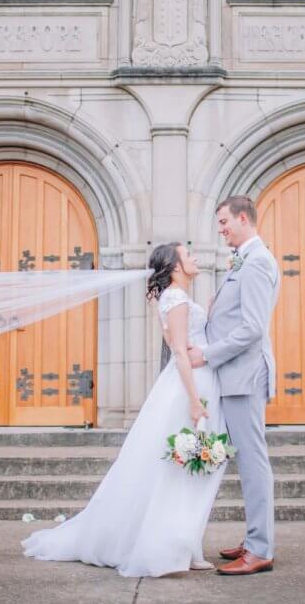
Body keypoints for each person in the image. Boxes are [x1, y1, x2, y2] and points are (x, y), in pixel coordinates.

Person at [21, 242, 224, 578]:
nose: (195, 257)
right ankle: (172, 546)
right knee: (179, 472)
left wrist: (210, 310)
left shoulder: (175, 297)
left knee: (184, 471)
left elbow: (188, 338)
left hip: (191, 385)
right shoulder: (175, 298)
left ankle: (185, 544)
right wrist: (193, 401)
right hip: (187, 390)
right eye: (188, 254)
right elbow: (179, 353)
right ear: (175, 266)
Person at [188, 194, 281, 576]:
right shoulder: (244, 260)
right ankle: (255, 538)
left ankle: (260, 549)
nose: (221, 229)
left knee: (253, 461)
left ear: (244, 219)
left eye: (225, 222)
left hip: (243, 376)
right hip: (234, 376)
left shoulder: (257, 262)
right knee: (245, 459)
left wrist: (207, 354)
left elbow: (252, 329)